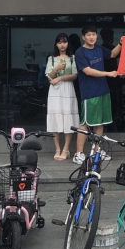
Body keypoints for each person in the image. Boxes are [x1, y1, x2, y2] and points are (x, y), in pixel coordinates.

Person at [72, 25, 122, 164]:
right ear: (83, 37)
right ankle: (78, 154)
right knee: (85, 123)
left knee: (99, 123)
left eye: (93, 34)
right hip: (89, 93)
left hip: (103, 91)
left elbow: (112, 54)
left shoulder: (99, 49)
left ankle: (96, 152)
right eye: (88, 35)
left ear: (96, 36)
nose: (91, 37)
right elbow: (87, 71)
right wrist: (108, 73)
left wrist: (121, 43)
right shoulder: (80, 52)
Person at [46, 33, 79, 161]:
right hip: (54, 91)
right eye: (59, 42)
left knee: (68, 118)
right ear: (56, 44)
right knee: (55, 118)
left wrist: (60, 78)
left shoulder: (72, 58)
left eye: (64, 42)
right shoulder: (51, 59)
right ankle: (57, 149)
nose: (62, 45)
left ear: (68, 43)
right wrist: (56, 68)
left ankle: (66, 149)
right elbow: (49, 76)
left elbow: (75, 75)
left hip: (67, 89)